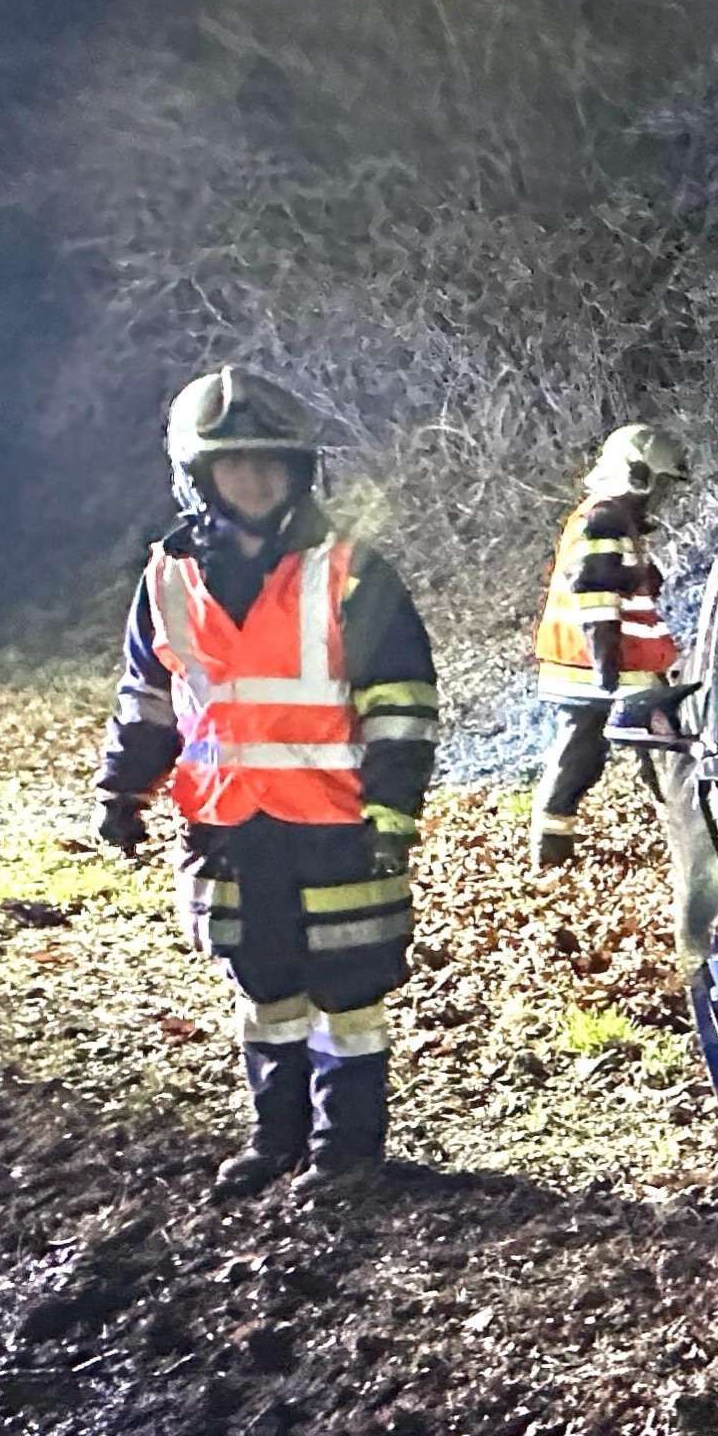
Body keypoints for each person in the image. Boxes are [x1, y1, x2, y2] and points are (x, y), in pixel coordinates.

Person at [93, 366, 440, 1203]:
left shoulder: (352, 571)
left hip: (339, 823)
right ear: (197, 476)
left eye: (270, 463)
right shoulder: (166, 579)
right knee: (264, 987)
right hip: (228, 828)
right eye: (232, 464)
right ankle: (275, 1140)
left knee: (348, 996)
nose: (253, 478)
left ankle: (347, 1152)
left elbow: (401, 703)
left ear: (300, 469)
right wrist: (121, 790)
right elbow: (148, 699)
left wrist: (392, 811)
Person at [531, 422, 684, 865]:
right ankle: (683, 836)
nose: (662, 496)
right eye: (661, 485)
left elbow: (613, 583)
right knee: (649, 748)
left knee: (614, 750)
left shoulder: (610, 518)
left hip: (606, 665)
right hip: (599, 667)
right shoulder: (605, 519)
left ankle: (554, 843)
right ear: (637, 475)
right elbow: (596, 595)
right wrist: (606, 668)